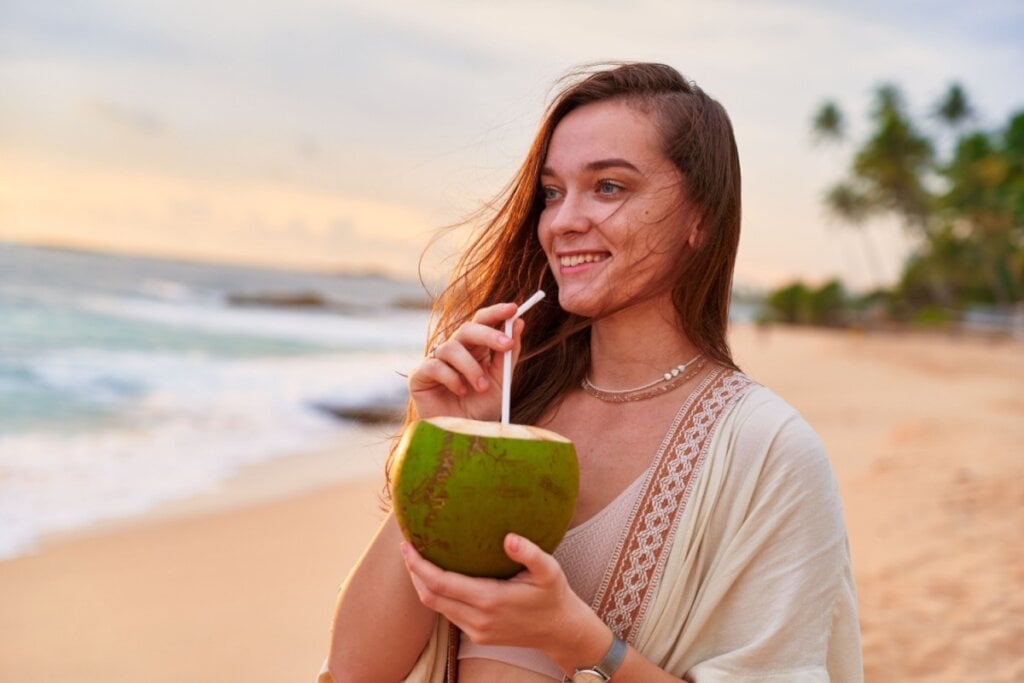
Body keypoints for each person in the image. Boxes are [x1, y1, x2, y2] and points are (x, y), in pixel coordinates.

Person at [319, 62, 862, 682]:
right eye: (552, 192)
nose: (562, 221)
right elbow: (355, 672)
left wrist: (579, 641)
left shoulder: (768, 451)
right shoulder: (515, 407)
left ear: (701, 219)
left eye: (608, 187)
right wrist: (443, 443)